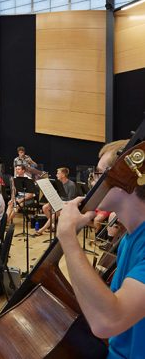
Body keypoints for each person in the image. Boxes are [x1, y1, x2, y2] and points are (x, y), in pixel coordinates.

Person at [58, 139, 145, 358]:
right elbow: (104, 306)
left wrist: (68, 238)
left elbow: (107, 322)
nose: (93, 182)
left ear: (128, 178)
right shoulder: (128, 239)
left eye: (99, 174)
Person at [35, 167, 78, 236]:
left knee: (57, 211)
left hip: (68, 205)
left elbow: (71, 200)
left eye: (58, 173)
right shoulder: (59, 183)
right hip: (60, 202)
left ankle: (41, 230)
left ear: (63, 175)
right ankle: (53, 225)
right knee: (45, 207)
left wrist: (61, 202)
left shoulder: (71, 185)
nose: (56, 175)